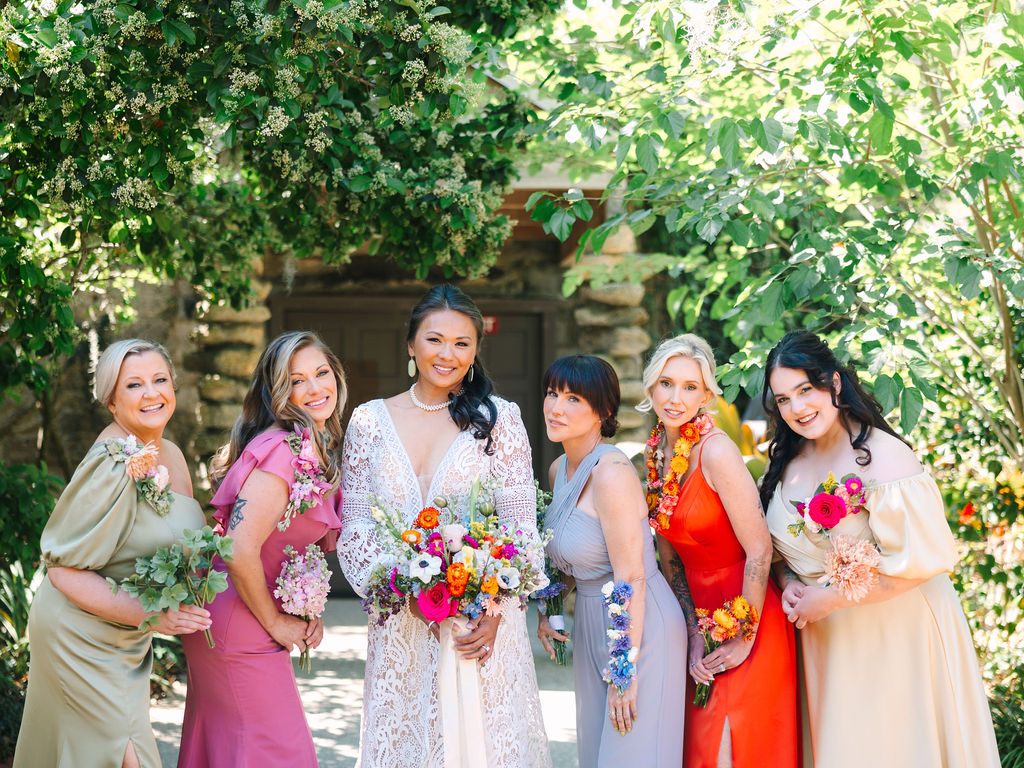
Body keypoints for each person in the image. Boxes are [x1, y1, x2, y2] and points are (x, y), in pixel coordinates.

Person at [760, 330, 1000, 767]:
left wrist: (826, 599)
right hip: (829, 642)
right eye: (783, 400)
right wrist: (789, 580)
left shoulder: (885, 457)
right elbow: (777, 549)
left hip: (897, 634)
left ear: (833, 383)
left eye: (805, 390)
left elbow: (922, 561)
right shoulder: (787, 463)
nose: (797, 408)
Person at [337, 284, 551, 768]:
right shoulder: (369, 422)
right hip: (400, 623)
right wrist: (399, 588)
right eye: (434, 340)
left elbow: (521, 528)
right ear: (410, 344)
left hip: (478, 625)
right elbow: (354, 530)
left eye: (462, 343)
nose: (447, 354)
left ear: (475, 351)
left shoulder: (499, 420)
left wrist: (493, 611)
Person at [14, 339, 211, 768]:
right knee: (121, 757)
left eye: (160, 380)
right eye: (134, 385)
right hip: (78, 634)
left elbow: (176, 543)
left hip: (126, 638)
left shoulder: (172, 456)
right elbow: (64, 569)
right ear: (111, 400)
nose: (151, 393)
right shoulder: (113, 461)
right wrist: (154, 615)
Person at [178, 331, 346, 768]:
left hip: (237, 612)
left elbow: (282, 542)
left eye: (321, 373)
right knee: (278, 753)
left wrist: (305, 608)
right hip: (239, 621)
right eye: (296, 381)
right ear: (277, 392)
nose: (314, 388)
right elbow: (237, 547)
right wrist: (274, 621)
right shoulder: (283, 451)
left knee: (236, 751)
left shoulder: (311, 444)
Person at [639, 334, 799, 768]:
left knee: (738, 748)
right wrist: (691, 632)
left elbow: (760, 551)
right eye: (667, 383)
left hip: (747, 610)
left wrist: (744, 638)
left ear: (707, 393)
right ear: (651, 386)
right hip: (696, 619)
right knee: (699, 748)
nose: (676, 398)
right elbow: (668, 555)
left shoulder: (717, 452)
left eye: (690, 387)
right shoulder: (657, 454)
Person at [536, 354, 687, 768]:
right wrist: (549, 610)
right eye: (552, 394)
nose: (555, 408)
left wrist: (625, 670)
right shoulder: (558, 470)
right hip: (590, 622)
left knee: (631, 754)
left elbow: (632, 576)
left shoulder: (611, 472)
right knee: (598, 754)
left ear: (603, 411)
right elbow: (570, 558)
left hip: (640, 628)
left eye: (573, 400)